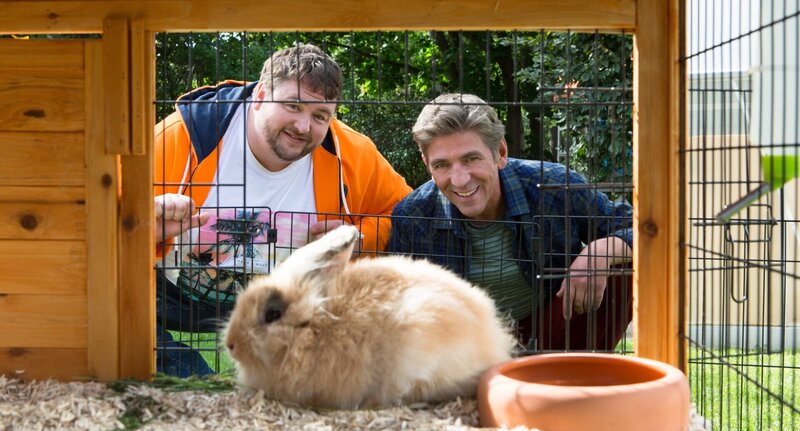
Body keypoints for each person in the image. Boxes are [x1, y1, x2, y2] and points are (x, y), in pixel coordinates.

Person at [153, 43, 412, 376]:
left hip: (286, 307)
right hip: (168, 294)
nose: (303, 126)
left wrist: (358, 239)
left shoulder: (353, 154)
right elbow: (105, 211)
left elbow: (406, 215)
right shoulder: (182, 137)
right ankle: (193, 378)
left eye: (320, 116)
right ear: (260, 95)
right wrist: (147, 223)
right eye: (293, 105)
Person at [387, 93, 633, 351]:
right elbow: (398, 309)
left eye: (471, 159)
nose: (459, 179)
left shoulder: (553, 185)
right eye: (442, 165)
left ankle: (576, 374)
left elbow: (642, 230)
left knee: (621, 268)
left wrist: (598, 252)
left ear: (500, 153)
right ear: (427, 164)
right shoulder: (412, 215)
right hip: (466, 347)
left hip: (552, 326)